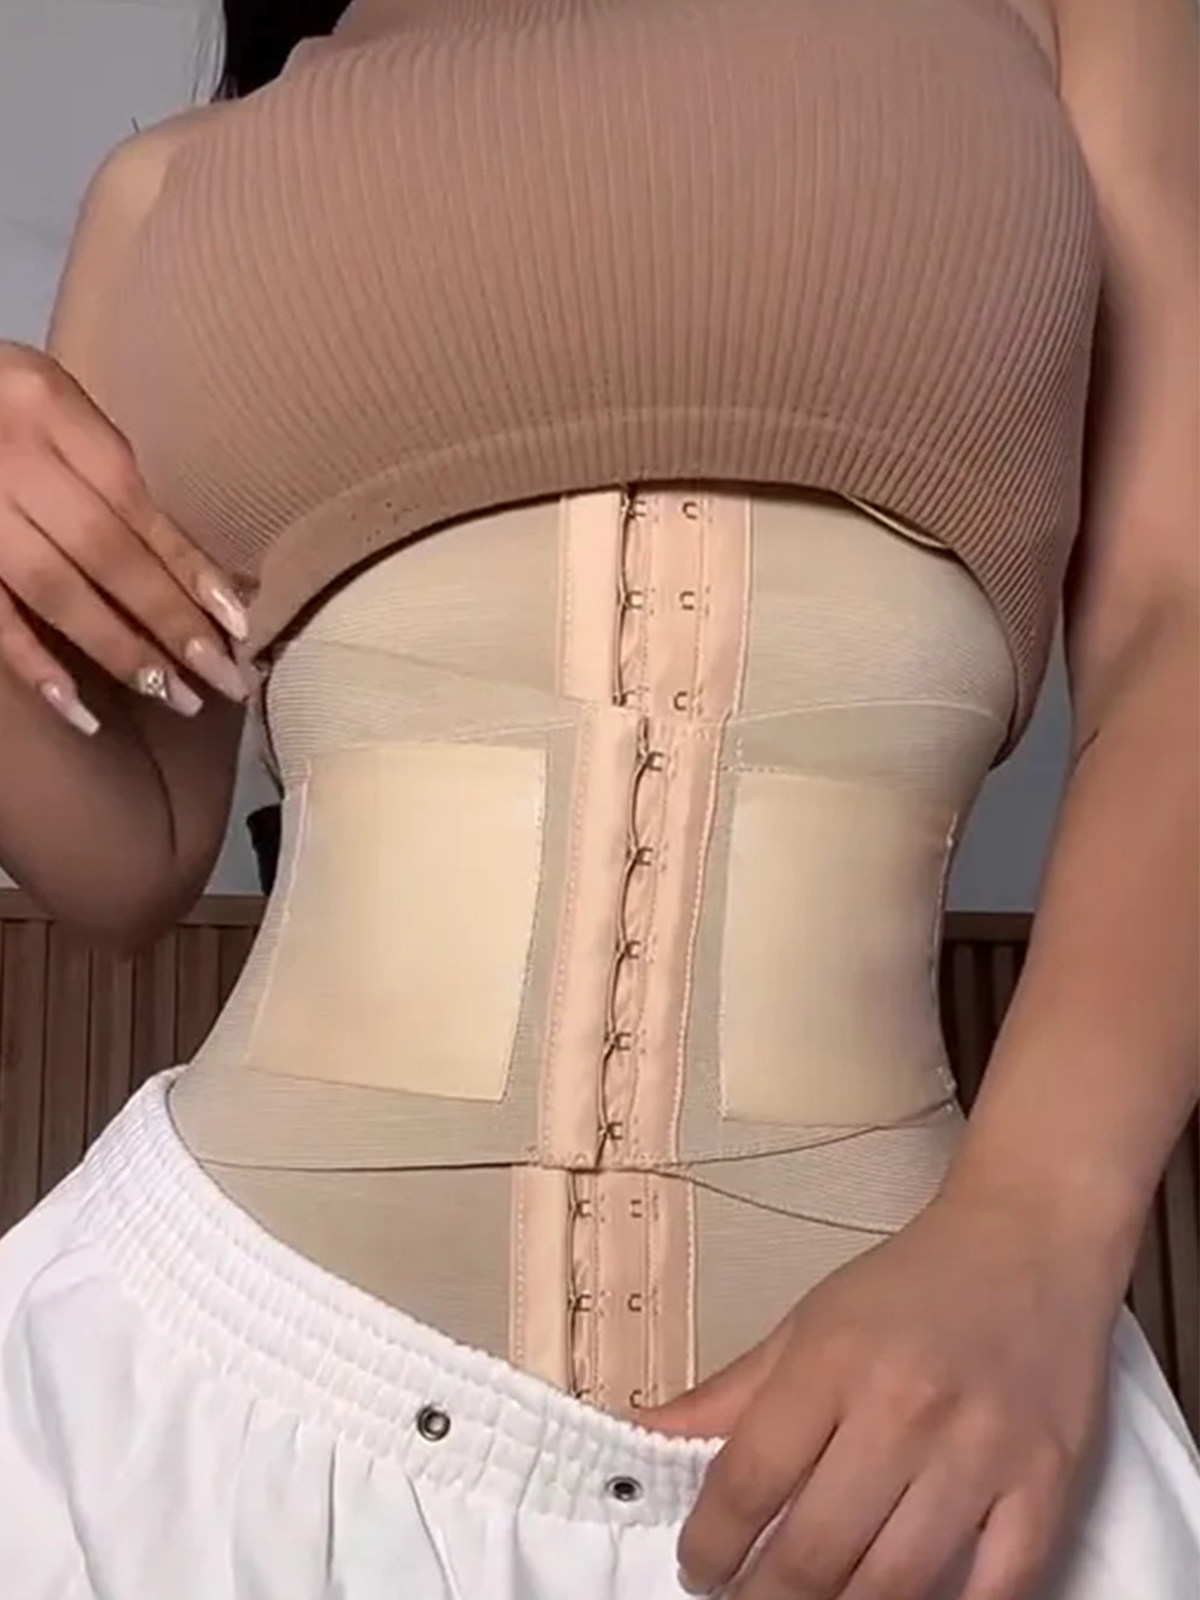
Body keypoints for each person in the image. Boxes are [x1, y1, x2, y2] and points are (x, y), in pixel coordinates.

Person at [2, 0, 1200, 1595]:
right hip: (195, 1405)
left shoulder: (1061, 20)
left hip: (917, 1439)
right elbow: (122, 852)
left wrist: (1040, 1231)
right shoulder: (169, 188)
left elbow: (1181, 627)